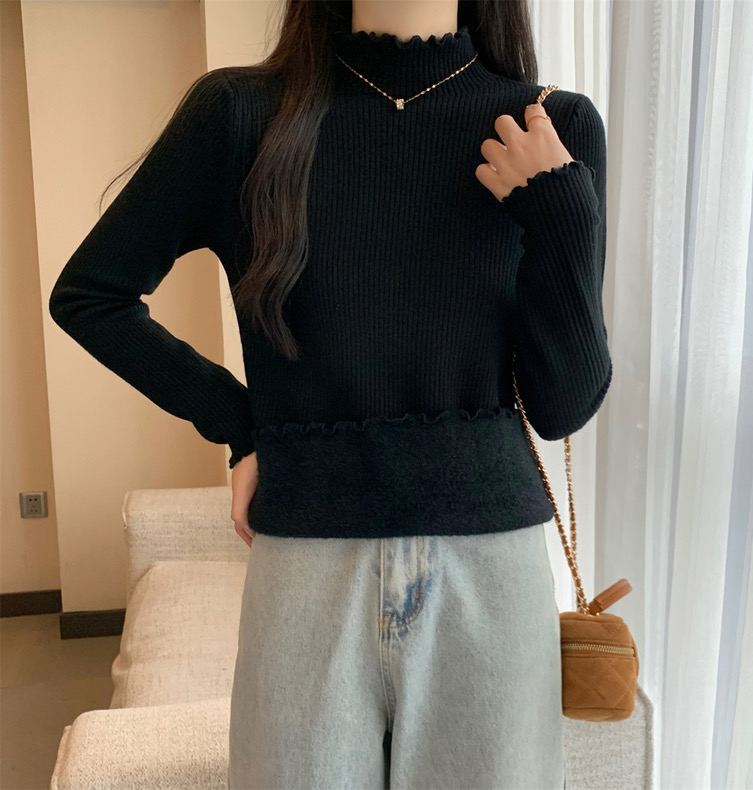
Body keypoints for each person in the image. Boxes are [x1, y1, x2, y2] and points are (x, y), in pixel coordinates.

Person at [49, 0, 611, 786]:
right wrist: (240, 424)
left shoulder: (550, 127)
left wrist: (561, 208)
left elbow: (564, 407)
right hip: (307, 566)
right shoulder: (240, 115)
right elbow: (91, 294)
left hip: (491, 577)